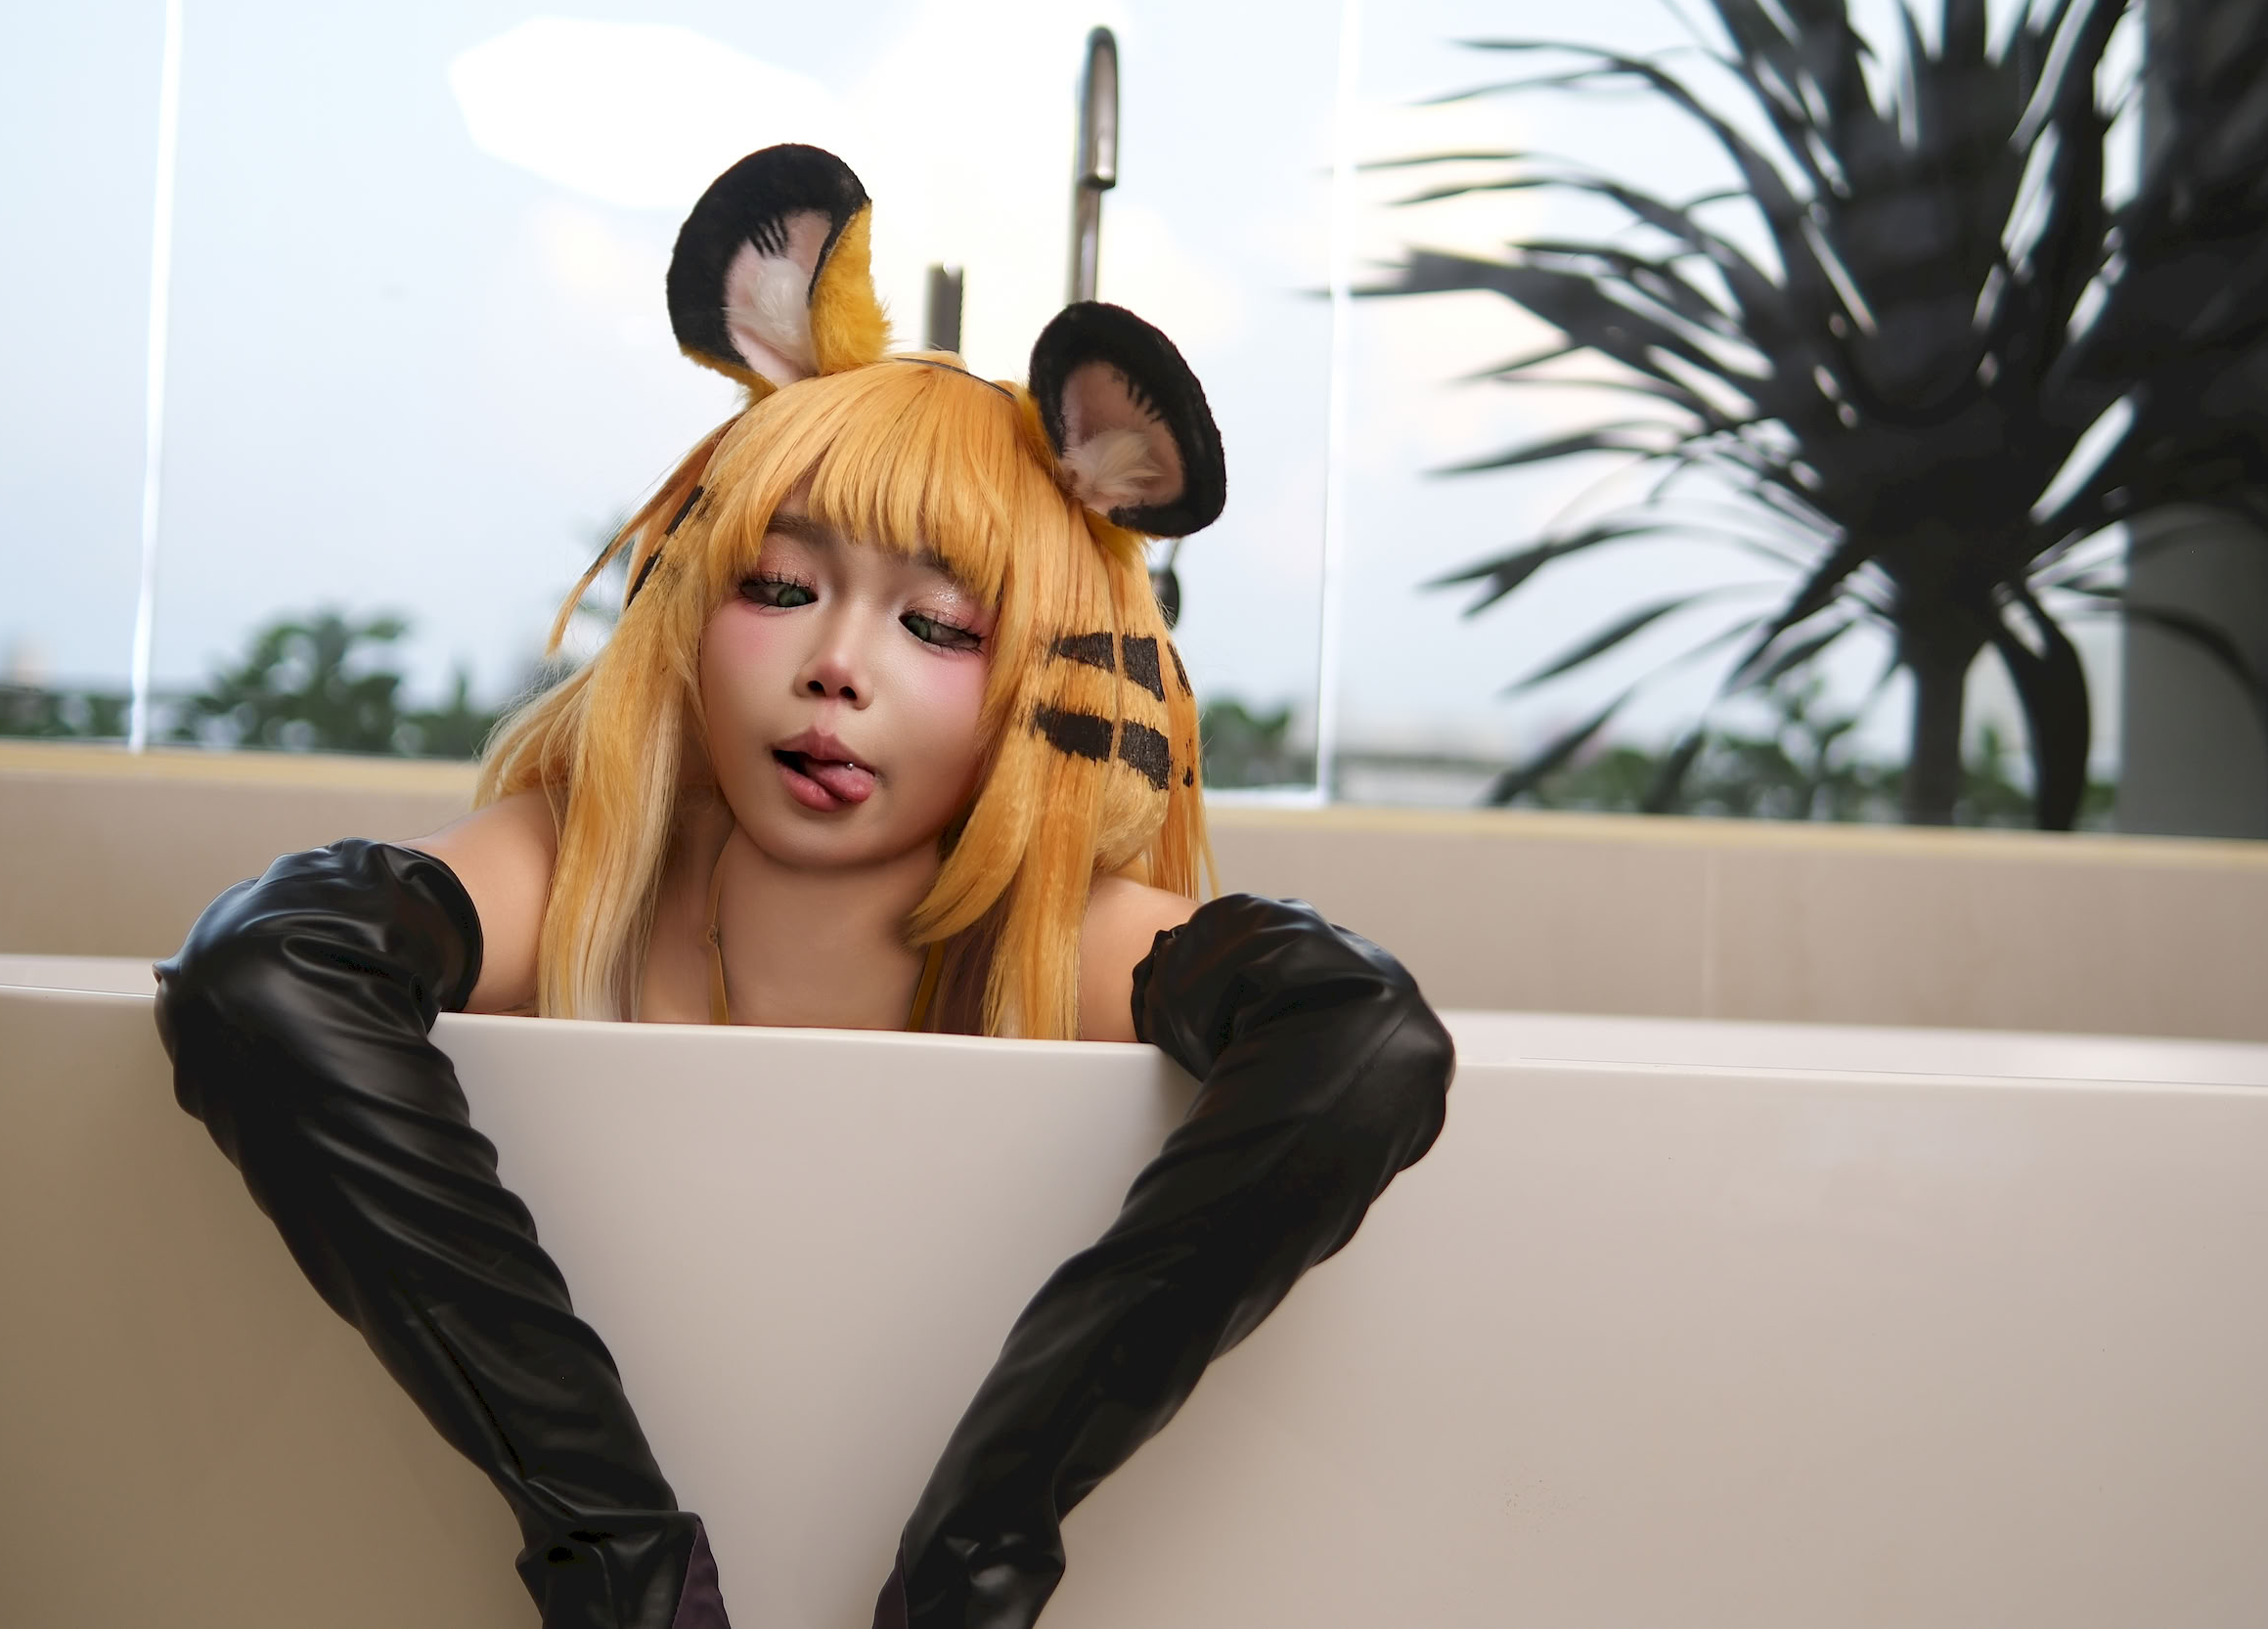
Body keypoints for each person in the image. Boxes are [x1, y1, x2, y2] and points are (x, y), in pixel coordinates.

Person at [155, 144, 1452, 1629]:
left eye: (937, 624)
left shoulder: (1054, 941)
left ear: (1039, 682)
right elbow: (267, 974)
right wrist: (614, 1552)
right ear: (693, 613)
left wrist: (983, 1545)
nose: (837, 664)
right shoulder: (585, 869)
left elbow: (1364, 1041)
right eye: (780, 589)